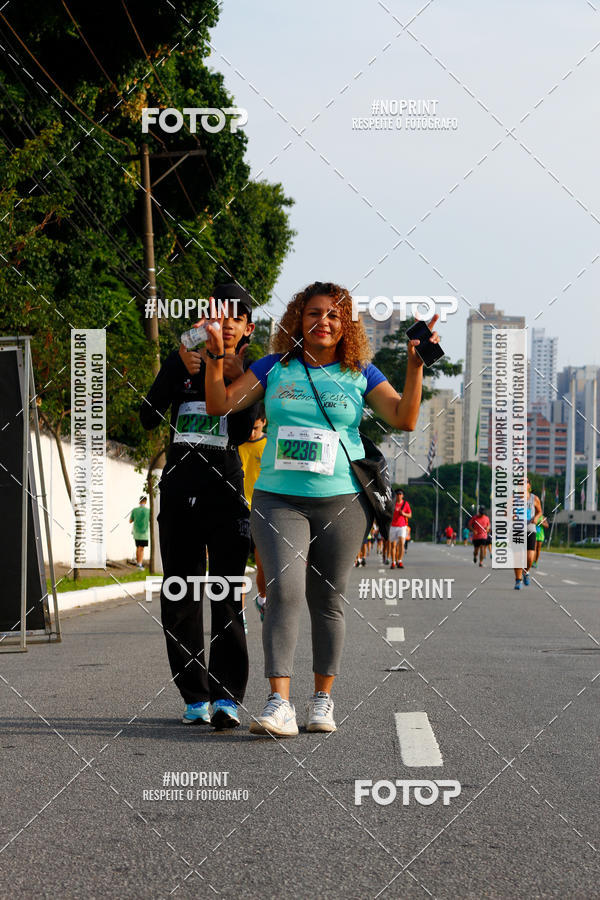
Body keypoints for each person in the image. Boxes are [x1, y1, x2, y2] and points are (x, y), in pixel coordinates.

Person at [202, 281, 441, 736]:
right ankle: (279, 703)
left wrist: (415, 366)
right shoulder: (274, 368)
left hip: (342, 500)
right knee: (283, 592)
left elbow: (405, 419)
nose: (323, 322)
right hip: (278, 498)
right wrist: (215, 358)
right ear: (298, 319)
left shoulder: (361, 373)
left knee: (327, 599)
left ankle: (322, 700)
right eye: (314, 313)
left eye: (334, 315)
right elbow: (219, 404)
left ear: (346, 324)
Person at [140, 284, 257, 729]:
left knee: (226, 596)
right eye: (218, 314)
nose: (225, 323)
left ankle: (228, 698)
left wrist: (229, 370)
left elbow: (244, 431)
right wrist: (176, 368)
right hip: (178, 493)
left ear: (247, 327)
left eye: (236, 317)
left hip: (225, 495)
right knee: (180, 595)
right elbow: (148, 415)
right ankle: (195, 696)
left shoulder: (252, 371)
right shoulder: (182, 361)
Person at [238, 404, 268, 619]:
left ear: (264, 422)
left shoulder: (270, 445)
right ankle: (239, 615)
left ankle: (263, 599)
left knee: (263, 567)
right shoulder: (235, 442)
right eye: (248, 427)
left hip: (262, 512)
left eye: (256, 428)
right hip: (237, 510)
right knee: (236, 569)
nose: (251, 433)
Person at [514, 481, 542, 589]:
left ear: (529, 485)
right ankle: (518, 580)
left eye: (525, 482)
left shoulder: (534, 498)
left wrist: (536, 518)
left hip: (530, 528)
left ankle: (526, 572)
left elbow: (540, 511)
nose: (523, 484)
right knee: (517, 555)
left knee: (530, 557)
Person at [389, 490, 411, 569]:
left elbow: (410, 515)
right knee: (393, 545)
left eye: (400, 494)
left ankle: (400, 561)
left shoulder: (405, 504)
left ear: (403, 495)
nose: (399, 495)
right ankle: (393, 562)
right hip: (393, 526)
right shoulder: (392, 503)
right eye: (397, 494)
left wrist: (404, 514)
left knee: (401, 543)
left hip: (402, 526)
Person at [129, 496, 150, 568]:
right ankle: (139, 564)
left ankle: (138, 563)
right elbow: (151, 520)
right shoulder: (148, 511)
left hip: (136, 533)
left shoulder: (135, 510)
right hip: (144, 533)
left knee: (138, 547)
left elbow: (130, 521)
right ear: (145, 501)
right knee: (141, 549)